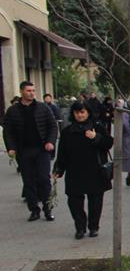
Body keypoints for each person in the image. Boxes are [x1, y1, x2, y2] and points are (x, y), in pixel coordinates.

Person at [53, 102, 113, 239]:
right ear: (73, 114)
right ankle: (80, 227)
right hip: (75, 172)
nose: (80, 115)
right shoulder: (67, 132)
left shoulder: (97, 127)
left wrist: (95, 137)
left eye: (82, 112)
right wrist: (59, 168)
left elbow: (109, 143)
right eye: (77, 112)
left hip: (95, 170)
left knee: (96, 200)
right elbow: (62, 153)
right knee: (74, 201)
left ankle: (93, 227)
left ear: (88, 113)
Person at [3, 81, 59, 221]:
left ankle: (48, 209)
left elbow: (53, 126)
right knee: (28, 181)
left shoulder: (43, 108)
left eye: (33, 90)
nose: (32, 93)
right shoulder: (13, 111)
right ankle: (34, 210)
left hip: (41, 150)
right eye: (28, 90)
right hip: (23, 151)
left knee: (44, 179)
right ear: (21, 91)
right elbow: (8, 131)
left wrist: (50, 142)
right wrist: (11, 147)